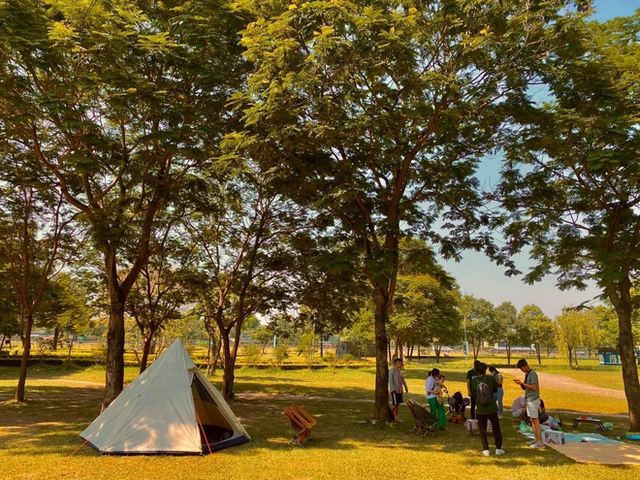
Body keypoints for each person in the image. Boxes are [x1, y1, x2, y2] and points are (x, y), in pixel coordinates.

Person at [471, 362, 505, 457]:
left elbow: (474, 394)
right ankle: (498, 448)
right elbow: (495, 388)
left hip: (480, 408)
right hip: (492, 407)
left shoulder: (474, 381)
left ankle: (486, 449)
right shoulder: (490, 379)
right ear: (485, 370)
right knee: (496, 428)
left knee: (482, 429)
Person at [515, 358, 544, 449]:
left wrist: (523, 383)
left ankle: (540, 441)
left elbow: (534, 387)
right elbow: (526, 387)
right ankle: (536, 439)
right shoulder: (528, 374)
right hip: (529, 399)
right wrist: (521, 384)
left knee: (535, 420)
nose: (522, 371)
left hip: (533, 400)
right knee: (532, 420)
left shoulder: (532, 374)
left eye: (521, 369)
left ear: (525, 366)